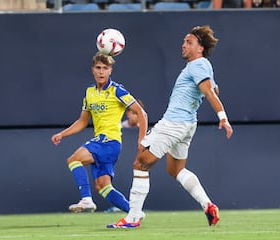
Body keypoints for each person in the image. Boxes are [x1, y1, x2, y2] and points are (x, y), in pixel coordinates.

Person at [107, 25, 233, 228]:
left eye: (189, 42)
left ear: (200, 48)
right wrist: (206, 92)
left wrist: (223, 117)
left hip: (174, 123)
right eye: (184, 41)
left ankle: (133, 218)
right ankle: (208, 205)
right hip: (187, 125)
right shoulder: (203, 65)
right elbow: (213, 88)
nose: (183, 45)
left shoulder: (197, 66)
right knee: (176, 170)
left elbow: (209, 92)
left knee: (141, 163)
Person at [51, 52, 148, 213]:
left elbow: (141, 113)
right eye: (98, 68)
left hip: (109, 142)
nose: (101, 71)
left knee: (74, 159)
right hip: (102, 142)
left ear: (110, 71)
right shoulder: (89, 93)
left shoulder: (117, 90)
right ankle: (134, 214)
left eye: (105, 68)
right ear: (92, 70)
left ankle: (86, 199)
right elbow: (83, 121)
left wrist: (142, 139)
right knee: (103, 187)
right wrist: (63, 134)